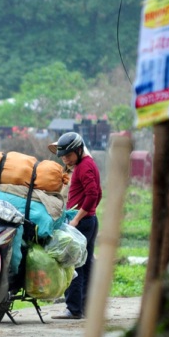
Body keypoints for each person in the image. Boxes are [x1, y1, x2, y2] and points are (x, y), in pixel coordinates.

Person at [48, 132, 102, 320]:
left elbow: (93, 194)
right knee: (85, 265)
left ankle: (73, 308)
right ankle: (84, 307)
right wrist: (90, 212)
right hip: (90, 221)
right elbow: (98, 194)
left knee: (73, 265)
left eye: (69, 155)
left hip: (81, 222)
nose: (66, 159)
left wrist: (77, 218)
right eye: (63, 156)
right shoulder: (88, 164)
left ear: (79, 150)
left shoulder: (84, 167)